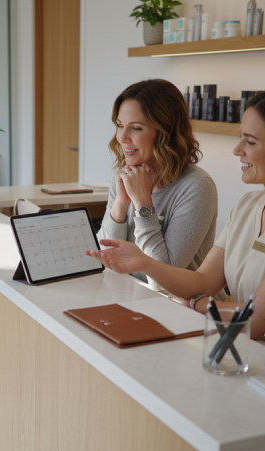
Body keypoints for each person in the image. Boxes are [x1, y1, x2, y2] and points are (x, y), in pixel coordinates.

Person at [88, 85, 265, 348]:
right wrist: (144, 263)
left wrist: (198, 303)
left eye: (250, 141)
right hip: (237, 347)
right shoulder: (249, 205)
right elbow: (203, 281)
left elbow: (255, 320)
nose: (237, 150)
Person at [97, 79, 218, 293]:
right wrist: (121, 204)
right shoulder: (126, 177)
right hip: (129, 293)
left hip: (181, 308)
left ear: (165, 133)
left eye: (135, 128)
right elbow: (105, 256)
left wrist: (143, 202)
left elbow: (164, 280)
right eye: (119, 125)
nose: (122, 137)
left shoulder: (197, 187)